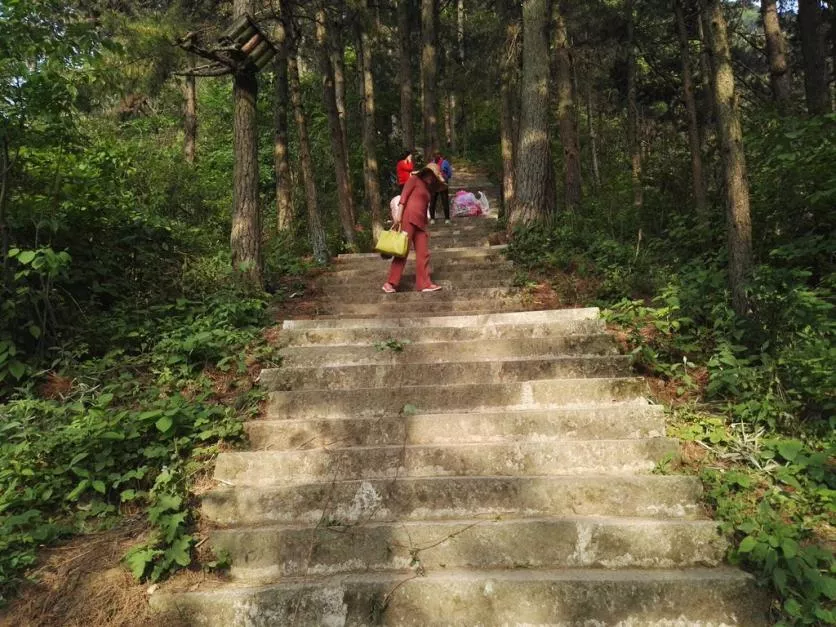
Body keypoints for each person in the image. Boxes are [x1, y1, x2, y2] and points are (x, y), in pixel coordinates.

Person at [382, 163, 447, 293]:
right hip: (408, 218)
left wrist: (426, 226)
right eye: (431, 175)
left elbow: (424, 208)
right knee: (402, 251)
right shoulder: (414, 180)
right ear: (426, 173)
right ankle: (390, 283)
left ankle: (424, 284)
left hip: (421, 223)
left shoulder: (429, 189)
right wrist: (398, 217)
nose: (431, 178)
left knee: (423, 253)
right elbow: (403, 198)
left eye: (434, 177)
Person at [429, 151, 452, 224]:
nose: (435, 157)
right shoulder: (432, 163)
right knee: (432, 202)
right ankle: (432, 218)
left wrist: (445, 178)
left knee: (445, 201)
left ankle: (447, 218)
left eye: (436, 155)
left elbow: (449, 173)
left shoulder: (445, 162)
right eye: (434, 155)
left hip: (443, 184)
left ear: (439, 155)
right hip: (434, 185)